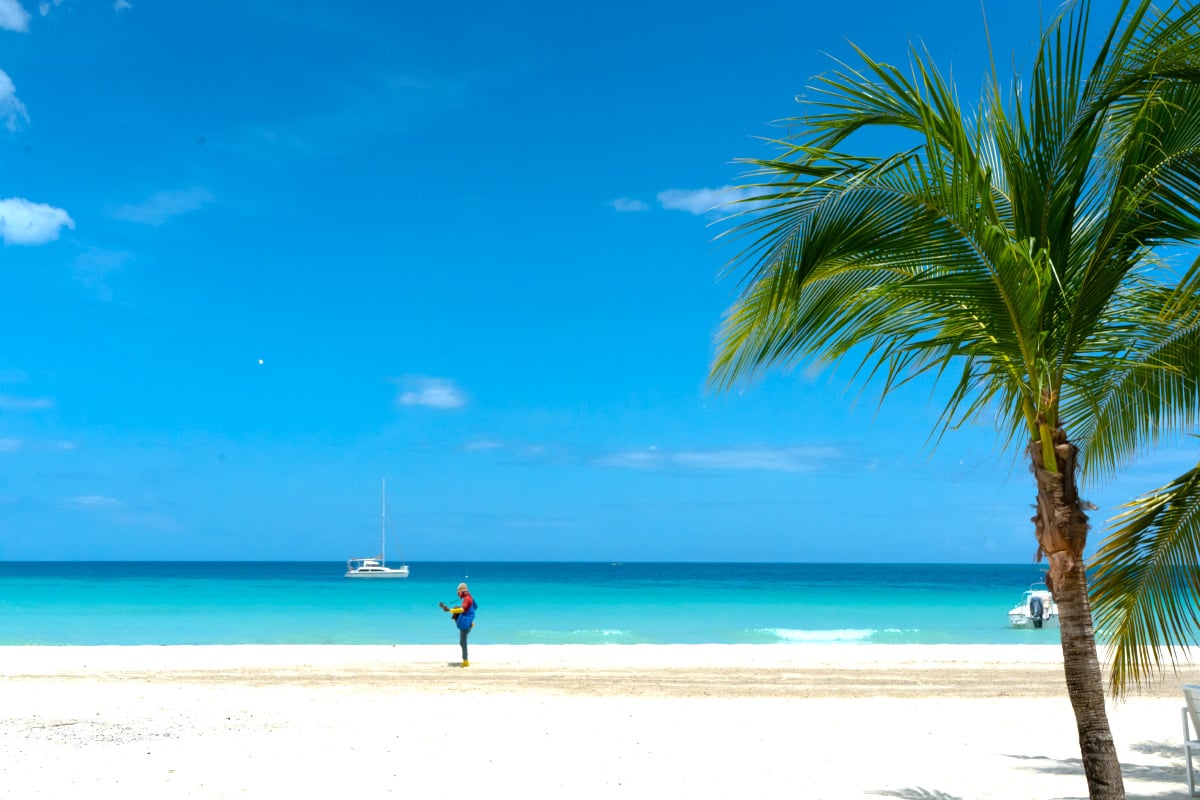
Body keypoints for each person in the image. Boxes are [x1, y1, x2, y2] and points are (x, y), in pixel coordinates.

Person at [440, 582, 476, 667]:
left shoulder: (467, 599)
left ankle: (466, 661)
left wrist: (450, 610)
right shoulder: (470, 597)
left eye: (458, 593)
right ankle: (470, 625)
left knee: (463, 642)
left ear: (462, 592)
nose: (458, 594)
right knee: (462, 641)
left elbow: (462, 610)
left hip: (465, 623)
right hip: (467, 621)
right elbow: (474, 608)